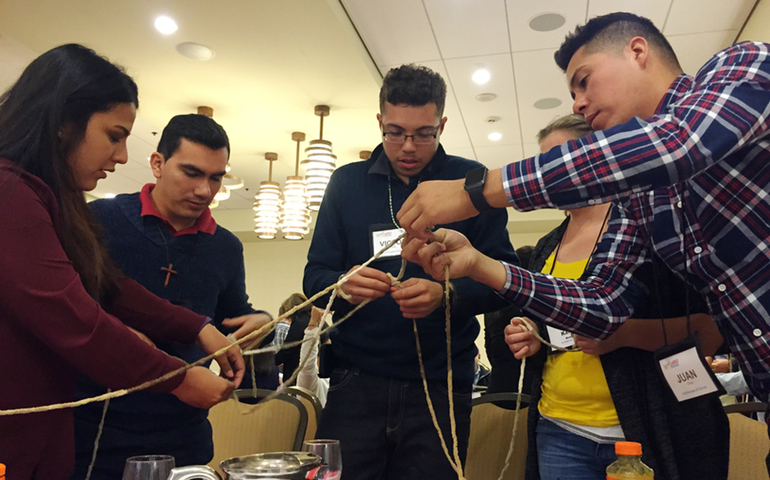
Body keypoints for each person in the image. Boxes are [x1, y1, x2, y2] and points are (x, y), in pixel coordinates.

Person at [397, 11, 770, 444]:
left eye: (584, 80)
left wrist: (476, 190)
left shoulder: (739, 67)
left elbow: (677, 145)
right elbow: (602, 304)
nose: (576, 103)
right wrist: (479, 264)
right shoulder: (642, 199)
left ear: (637, 51)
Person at [0, 44, 243, 480]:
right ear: (62, 123)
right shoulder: (9, 194)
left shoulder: (50, 198)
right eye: (114, 135)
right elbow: (75, 318)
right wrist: (178, 377)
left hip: (44, 430)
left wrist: (197, 327)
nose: (122, 156)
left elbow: (105, 284)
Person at [303, 64, 517, 479]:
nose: (407, 146)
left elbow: (502, 280)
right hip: (355, 383)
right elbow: (315, 275)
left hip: (440, 385)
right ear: (380, 121)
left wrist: (447, 295)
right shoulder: (346, 183)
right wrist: (342, 285)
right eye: (395, 131)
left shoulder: (472, 182)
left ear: (443, 124)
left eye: (424, 133)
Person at [509, 114, 727, 480]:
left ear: (598, 156)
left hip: (644, 432)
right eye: (545, 166)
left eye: (562, 162)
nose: (551, 176)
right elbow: (556, 325)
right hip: (558, 428)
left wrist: (622, 335)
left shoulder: (653, 229)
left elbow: (710, 331)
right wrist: (532, 333)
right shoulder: (547, 246)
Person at [71, 114, 273, 479]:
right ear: (158, 164)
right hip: (93, 429)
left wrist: (260, 321)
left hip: (185, 434)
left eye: (216, 177)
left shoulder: (225, 247)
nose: (204, 191)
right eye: (192, 172)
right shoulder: (99, 219)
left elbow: (232, 315)